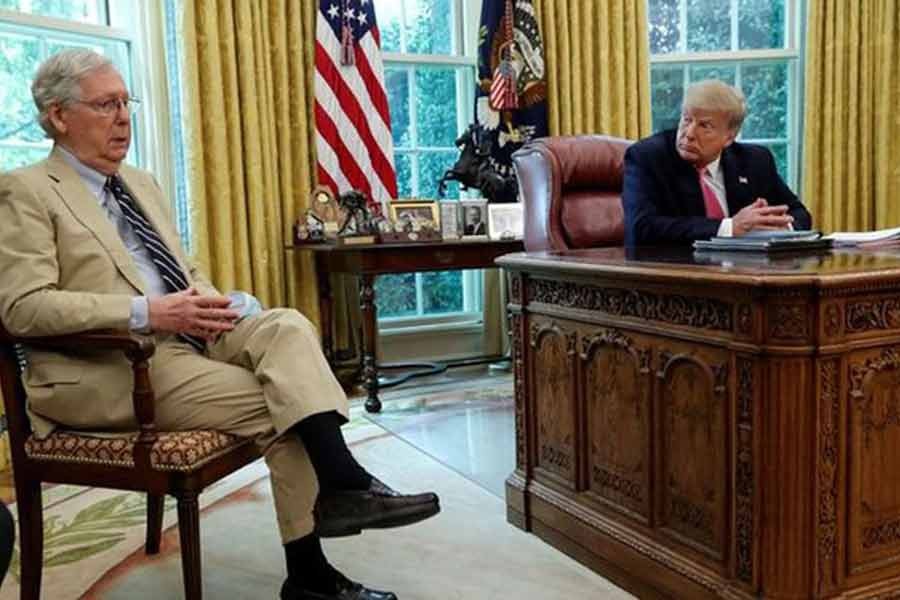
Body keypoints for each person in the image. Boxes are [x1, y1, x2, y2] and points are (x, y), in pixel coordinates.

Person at [0, 49, 440, 600]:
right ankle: (315, 563)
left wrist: (209, 300)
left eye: (125, 102)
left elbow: (181, 268)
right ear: (59, 115)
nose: (123, 117)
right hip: (112, 366)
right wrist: (149, 313)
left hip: (187, 335)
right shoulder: (27, 189)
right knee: (285, 405)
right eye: (106, 104)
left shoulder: (140, 181)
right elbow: (23, 307)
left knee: (285, 324)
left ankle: (341, 484)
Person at [623, 79, 812, 246]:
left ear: (729, 137)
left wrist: (779, 226)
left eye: (704, 126)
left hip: (745, 273)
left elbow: (799, 214)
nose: (688, 134)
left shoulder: (755, 161)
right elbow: (642, 227)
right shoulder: (648, 157)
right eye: (686, 119)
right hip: (678, 275)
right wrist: (730, 228)